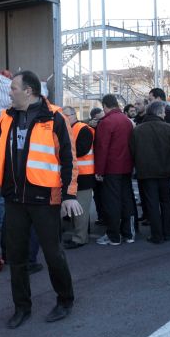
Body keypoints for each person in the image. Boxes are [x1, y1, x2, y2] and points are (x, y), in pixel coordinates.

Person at [0, 70, 82, 329]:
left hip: (45, 198)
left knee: (53, 254)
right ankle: (21, 308)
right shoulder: (6, 117)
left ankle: (65, 300)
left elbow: (69, 160)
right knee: (16, 258)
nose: (9, 92)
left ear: (28, 91)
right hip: (15, 198)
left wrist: (69, 195)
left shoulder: (55, 117)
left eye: (13, 88)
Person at [0, 121, 43, 274]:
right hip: (31, 181)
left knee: (9, 220)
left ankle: (8, 256)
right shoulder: (33, 123)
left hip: (7, 180)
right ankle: (29, 261)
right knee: (31, 223)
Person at [130, 101, 170, 243]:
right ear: (159, 113)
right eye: (163, 112)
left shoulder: (137, 130)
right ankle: (168, 230)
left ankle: (157, 234)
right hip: (166, 171)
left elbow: (133, 152)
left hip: (146, 173)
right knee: (167, 201)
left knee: (152, 203)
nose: (165, 114)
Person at [94, 94, 137, 245]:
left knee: (112, 201)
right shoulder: (127, 120)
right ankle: (129, 233)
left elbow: (102, 148)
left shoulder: (106, 122)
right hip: (126, 166)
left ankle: (114, 235)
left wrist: (99, 171)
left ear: (105, 105)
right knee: (127, 199)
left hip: (111, 168)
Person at [62, 106, 95, 249]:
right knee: (77, 208)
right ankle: (80, 235)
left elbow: (82, 150)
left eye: (65, 117)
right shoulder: (70, 129)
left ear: (73, 115)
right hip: (74, 174)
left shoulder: (83, 129)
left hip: (83, 175)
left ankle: (80, 238)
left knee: (81, 208)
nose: (63, 120)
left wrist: (64, 149)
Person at [88, 107, 107, 226]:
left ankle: (103, 216)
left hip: (97, 165)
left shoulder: (99, 126)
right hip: (94, 166)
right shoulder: (90, 128)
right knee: (99, 194)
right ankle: (102, 216)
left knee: (101, 194)